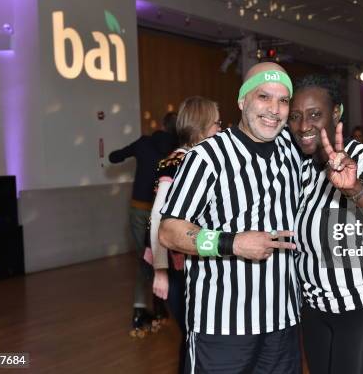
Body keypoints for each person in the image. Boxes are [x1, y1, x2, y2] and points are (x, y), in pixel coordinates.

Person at [159, 62, 302, 373]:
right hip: (221, 327)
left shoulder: (291, 152)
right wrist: (232, 243)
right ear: (242, 101)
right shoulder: (206, 158)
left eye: (283, 100)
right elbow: (169, 231)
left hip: (283, 322)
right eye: (264, 97)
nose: (274, 109)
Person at [288, 74, 363, 374]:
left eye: (315, 114)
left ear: (336, 113)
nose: (304, 126)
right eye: (296, 117)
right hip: (316, 307)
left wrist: (356, 190)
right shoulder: (301, 171)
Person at [146, 96, 221, 372]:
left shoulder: (201, 158)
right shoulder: (179, 161)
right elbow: (157, 219)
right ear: (201, 126)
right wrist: (161, 270)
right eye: (216, 124)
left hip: (197, 261)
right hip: (181, 266)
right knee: (193, 337)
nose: (221, 130)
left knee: (197, 336)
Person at [109, 112, 178, 333]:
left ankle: (140, 312)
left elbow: (114, 157)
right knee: (164, 260)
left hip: (139, 210)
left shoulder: (143, 143)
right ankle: (160, 308)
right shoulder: (178, 150)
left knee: (145, 260)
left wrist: (116, 154)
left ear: (160, 125)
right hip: (164, 214)